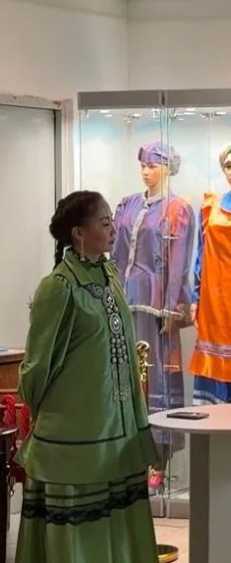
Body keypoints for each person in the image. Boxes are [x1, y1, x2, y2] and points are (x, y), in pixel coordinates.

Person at [17, 191, 159, 563]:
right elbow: (37, 365)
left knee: (119, 518)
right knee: (82, 531)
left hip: (119, 429)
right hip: (76, 437)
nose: (113, 230)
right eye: (105, 223)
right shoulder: (59, 287)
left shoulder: (109, 275)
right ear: (79, 233)